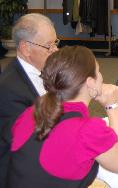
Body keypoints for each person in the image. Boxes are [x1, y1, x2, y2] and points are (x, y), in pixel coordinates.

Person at [6, 46, 118, 187]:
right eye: (98, 72)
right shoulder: (86, 130)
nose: (101, 77)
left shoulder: (30, 112)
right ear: (91, 83)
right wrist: (112, 106)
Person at [0, 13, 59, 187]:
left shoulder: (44, 69)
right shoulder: (10, 89)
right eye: (49, 45)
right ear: (26, 49)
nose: (55, 50)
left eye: (55, 43)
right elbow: (29, 145)